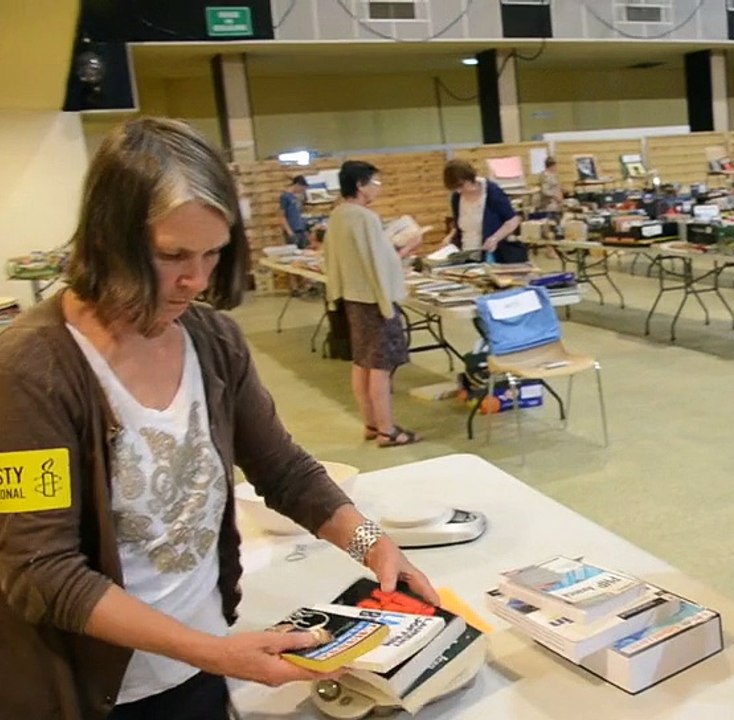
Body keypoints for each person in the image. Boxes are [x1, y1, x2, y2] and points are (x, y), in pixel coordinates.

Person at [0, 118, 439, 720]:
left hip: (202, 665)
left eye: (212, 254)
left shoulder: (210, 341)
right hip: (101, 692)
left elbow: (282, 469)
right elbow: (40, 570)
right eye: (172, 255)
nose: (196, 281)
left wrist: (374, 544)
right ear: (108, 239)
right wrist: (212, 652)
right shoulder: (31, 371)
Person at [323, 160, 420, 448]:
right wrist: (405, 250)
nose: (378, 188)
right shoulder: (365, 218)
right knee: (380, 366)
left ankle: (371, 423)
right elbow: (379, 264)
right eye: (375, 183)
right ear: (360, 185)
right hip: (374, 300)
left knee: (362, 361)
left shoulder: (338, 214)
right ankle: (387, 430)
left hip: (352, 298)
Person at [441, 159, 523, 263]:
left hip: (490, 255)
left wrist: (495, 238)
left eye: (461, 186)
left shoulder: (492, 191)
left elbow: (513, 220)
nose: (459, 191)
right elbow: (459, 226)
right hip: (466, 255)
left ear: (469, 178)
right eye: (455, 188)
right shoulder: (457, 197)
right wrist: (449, 237)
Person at [279, 175, 309, 249]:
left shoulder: (295, 197)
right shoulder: (285, 197)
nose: (301, 191)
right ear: (297, 185)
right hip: (292, 231)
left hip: (301, 230)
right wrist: (289, 232)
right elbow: (282, 216)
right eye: (301, 189)